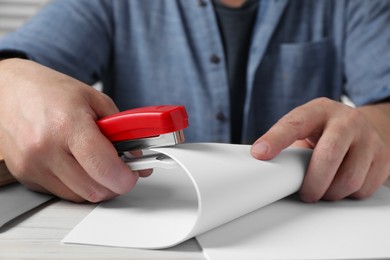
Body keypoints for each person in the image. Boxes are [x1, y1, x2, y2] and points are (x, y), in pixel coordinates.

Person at [0, 0, 389, 203]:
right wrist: (10, 80)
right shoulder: (109, 4)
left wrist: (368, 129)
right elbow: (15, 64)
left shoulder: (354, 4)